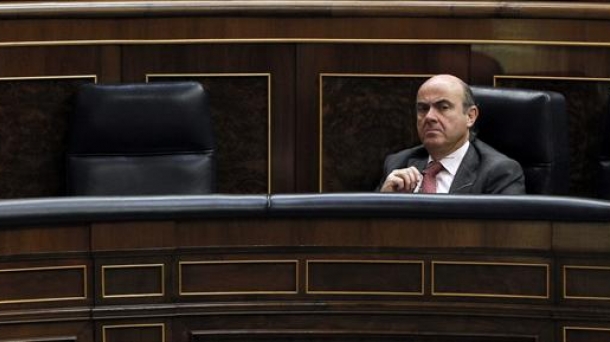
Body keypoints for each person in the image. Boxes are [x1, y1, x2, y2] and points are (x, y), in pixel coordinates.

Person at [378, 74, 525, 194]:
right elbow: (369, 228)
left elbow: (507, 230)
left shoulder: (499, 172)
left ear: (470, 116)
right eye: (423, 108)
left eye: (443, 107)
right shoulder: (397, 163)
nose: (429, 117)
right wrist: (383, 202)